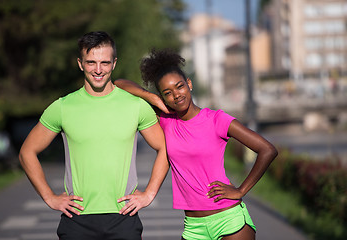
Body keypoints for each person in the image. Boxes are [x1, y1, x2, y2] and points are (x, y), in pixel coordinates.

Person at [19, 32, 169, 240]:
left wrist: (149, 193)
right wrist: (49, 197)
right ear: (80, 63)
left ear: (114, 63)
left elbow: (165, 148)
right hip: (76, 220)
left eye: (105, 63)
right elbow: (27, 152)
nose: (98, 70)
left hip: (124, 218)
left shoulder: (136, 106)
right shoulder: (62, 107)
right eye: (91, 62)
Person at [115, 48, 278, 240]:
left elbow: (267, 150)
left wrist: (241, 190)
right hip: (193, 227)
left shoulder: (216, 120)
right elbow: (118, 84)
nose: (176, 95)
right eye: (168, 92)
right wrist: (151, 97)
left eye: (179, 86)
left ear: (189, 84)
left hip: (229, 221)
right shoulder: (166, 120)